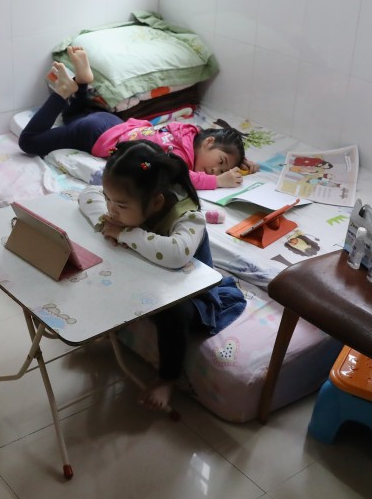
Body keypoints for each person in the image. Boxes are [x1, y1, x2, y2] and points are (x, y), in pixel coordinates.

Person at [77, 139, 246, 412]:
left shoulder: (187, 216)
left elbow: (177, 253)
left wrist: (126, 233)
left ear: (156, 203)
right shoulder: (127, 198)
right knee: (99, 269)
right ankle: (104, 329)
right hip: (145, 276)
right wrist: (104, 222)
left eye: (120, 205)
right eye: (109, 200)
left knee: (174, 315)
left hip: (188, 291)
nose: (111, 209)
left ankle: (167, 378)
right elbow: (87, 194)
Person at [19, 46, 258, 189]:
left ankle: (82, 83)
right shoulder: (177, 157)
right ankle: (63, 92)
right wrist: (218, 183)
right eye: (221, 162)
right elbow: (184, 177)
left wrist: (239, 161)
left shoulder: (186, 132)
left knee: (74, 116)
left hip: (111, 122)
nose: (216, 170)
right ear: (208, 143)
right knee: (29, 141)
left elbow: (220, 145)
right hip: (97, 135)